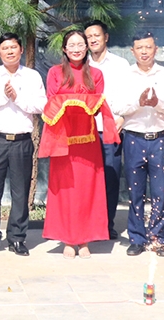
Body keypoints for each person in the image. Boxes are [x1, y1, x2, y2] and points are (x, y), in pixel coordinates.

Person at [40, 30, 118, 259]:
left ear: (87, 48)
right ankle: (67, 238)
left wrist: (74, 102)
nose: (76, 48)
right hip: (62, 140)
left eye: (80, 44)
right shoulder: (55, 73)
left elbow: (97, 102)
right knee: (64, 190)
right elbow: (52, 103)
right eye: (71, 45)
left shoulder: (96, 74)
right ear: (64, 49)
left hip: (88, 141)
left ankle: (84, 239)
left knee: (87, 190)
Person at [0, 32, 47, 256]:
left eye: (13, 47)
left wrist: (17, 98)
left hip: (21, 141)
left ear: (21, 50)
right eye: (5, 48)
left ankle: (17, 237)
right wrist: (4, 96)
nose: (10, 51)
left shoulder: (33, 76)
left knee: (20, 192)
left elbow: (41, 106)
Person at [118, 31, 164, 258]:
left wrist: (158, 103)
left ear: (155, 49)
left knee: (159, 192)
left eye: (148, 47)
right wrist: (138, 103)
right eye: (140, 48)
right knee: (134, 192)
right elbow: (117, 107)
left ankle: (158, 238)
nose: (144, 52)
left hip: (159, 140)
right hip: (134, 139)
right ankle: (136, 237)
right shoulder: (125, 75)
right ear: (132, 51)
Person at [84, 20, 129, 240]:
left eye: (96, 35)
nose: (93, 40)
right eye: (89, 37)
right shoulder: (81, 65)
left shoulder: (120, 65)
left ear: (106, 37)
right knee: (88, 180)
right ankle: (89, 225)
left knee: (110, 179)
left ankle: (107, 225)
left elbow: (128, 96)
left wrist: (123, 117)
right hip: (85, 132)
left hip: (110, 129)